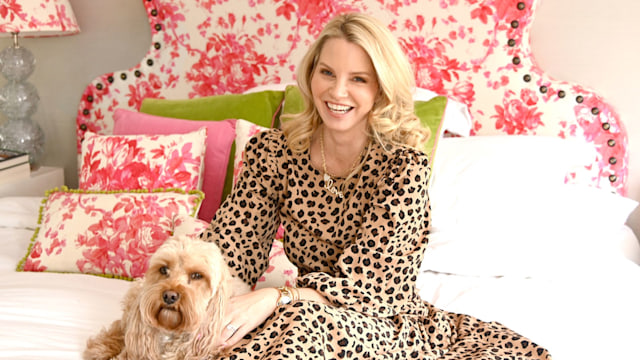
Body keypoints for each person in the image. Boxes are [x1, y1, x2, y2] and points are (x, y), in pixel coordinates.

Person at [199, 12, 551, 360]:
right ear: (311, 74)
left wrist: (274, 298)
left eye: (358, 79)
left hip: (380, 322)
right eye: (327, 73)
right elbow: (231, 252)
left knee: (298, 322)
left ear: (381, 87)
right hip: (299, 314)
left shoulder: (403, 170)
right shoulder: (274, 153)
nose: (337, 91)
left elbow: (369, 289)